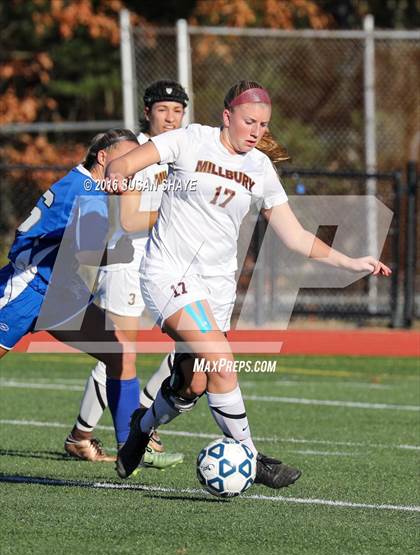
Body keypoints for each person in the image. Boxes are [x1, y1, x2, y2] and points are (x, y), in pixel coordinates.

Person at [105, 80, 391, 487]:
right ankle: (252, 458)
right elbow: (126, 163)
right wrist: (117, 174)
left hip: (217, 287)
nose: (257, 130)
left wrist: (349, 262)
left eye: (264, 124)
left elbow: (293, 236)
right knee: (221, 360)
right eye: (249, 121)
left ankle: (142, 426)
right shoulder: (190, 139)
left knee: (193, 384)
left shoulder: (260, 168)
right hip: (168, 274)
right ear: (227, 117)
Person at [64, 80, 189, 467]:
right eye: (163, 109)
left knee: (188, 346)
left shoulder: (178, 153)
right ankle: (83, 436)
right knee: (120, 353)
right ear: (147, 111)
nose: (171, 117)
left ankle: (141, 424)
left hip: (162, 264)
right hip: (127, 262)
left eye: (178, 110)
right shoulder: (132, 152)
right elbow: (132, 218)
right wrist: (176, 215)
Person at [0, 129, 144, 458]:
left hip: (61, 292)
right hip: (29, 288)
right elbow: (87, 249)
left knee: (120, 352)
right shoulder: (88, 191)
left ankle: (131, 447)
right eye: (125, 161)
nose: (131, 169)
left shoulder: (90, 186)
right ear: (103, 158)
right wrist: (116, 251)